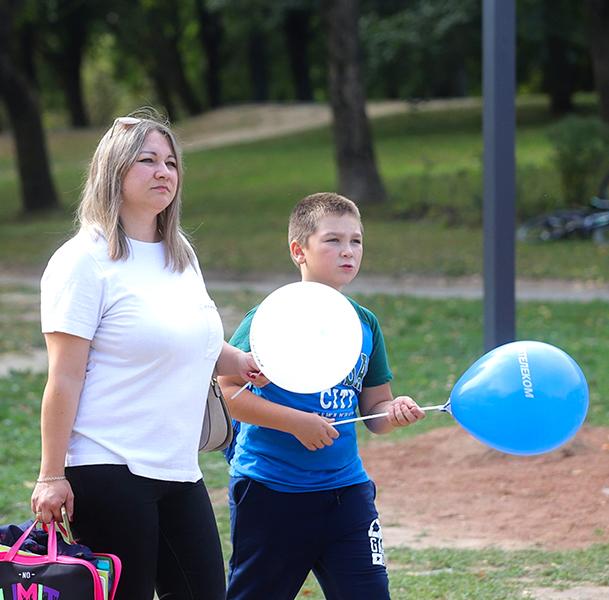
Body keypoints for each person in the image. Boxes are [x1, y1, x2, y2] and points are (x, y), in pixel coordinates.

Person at [30, 110, 266, 600]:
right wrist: (52, 475)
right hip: (107, 467)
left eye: (171, 162)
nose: (164, 172)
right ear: (113, 172)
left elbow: (188, 336)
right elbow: (64, 378)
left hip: (179, 467)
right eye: (147, 160)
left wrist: (235, 360)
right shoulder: (82, 262)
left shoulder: (178, 252)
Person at [218, 192, 426, 600]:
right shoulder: (268, 318)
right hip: (270, 493)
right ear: (300, 250)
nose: (348, 251)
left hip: (347, 493)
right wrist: (296, 423)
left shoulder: (365, 324)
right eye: (333, 240)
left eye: (356, 240)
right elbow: (227, 393)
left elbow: (375, 412)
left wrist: (395, 411)